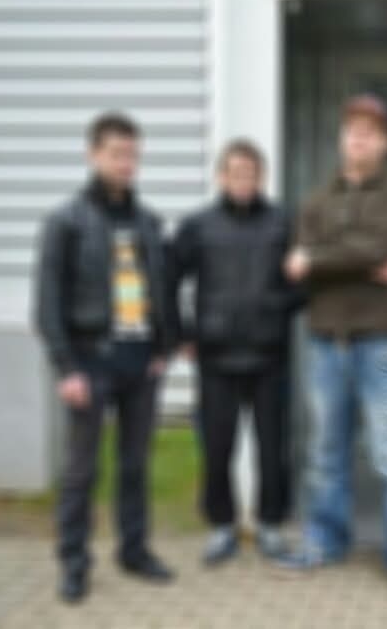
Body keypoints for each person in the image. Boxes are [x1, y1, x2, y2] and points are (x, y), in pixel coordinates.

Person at [277, 94, 387, 600]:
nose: (360, 138)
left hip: (384, 341)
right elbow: (300, 266)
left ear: (386, 142)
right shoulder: (317, 200)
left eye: (370, 131)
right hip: (327, 342)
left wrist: (319, 258)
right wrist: (358, 261)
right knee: (325, 451)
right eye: (353, 129)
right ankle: (325, 538)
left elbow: (381, 247)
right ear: (342, 138)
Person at [35, 112, 174, 604]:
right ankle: (74, 563)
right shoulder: (66, 222)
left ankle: (133, 551)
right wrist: (66, 367)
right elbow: (47, 304)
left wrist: (162, 348)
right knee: (82, 470)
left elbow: (162, 289)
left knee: (134, 464)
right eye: (116, 154)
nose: (125, 163)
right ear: (93, 154)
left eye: (132, 155)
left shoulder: (147, 222)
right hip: (89, 361)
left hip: (140, 363)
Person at [167, 139, 306, 565]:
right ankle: (222, 527)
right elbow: (166, 276)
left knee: (272, 449)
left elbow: (306, 283)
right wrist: (182, 333)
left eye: (250, 173)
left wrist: (278, 305)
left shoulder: (283, 223)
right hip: (216, 358)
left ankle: (270, 526)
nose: (243, 180)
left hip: (269, 357)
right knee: (217, 448)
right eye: (235, 173)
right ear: (222, 177)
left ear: (260, 177)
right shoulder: (199, 226)